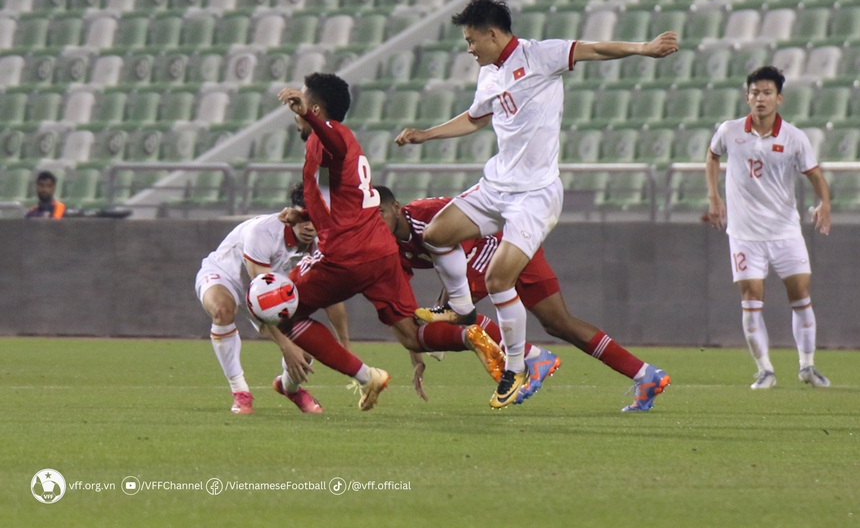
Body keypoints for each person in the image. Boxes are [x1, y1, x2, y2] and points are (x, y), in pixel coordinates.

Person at [395, 0, 678, 408]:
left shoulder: (541, 54)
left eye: (472, 40)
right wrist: (426, 133)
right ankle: (460, 309)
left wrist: (644, 48)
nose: (469, 49)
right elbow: (476, 117)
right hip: (496, 185)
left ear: (493, 33)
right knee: (437, 234)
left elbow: (595, 49)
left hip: (534, 195)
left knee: (497, 281)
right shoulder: (490, 74)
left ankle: (515, 367)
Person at [276, 73, 504, 410]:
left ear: (315, 108)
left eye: (302, 109)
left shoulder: (332, 135)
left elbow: (336, 145)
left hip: (346, 254)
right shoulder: (323, 148)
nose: (296, 116)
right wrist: (305, 215)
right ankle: (466, 336)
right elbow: (328, 194)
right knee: (412, 335)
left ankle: (366, 376)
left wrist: (309, 115)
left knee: (284, 311)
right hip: (381, 251)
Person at [378, 186, 671, 411]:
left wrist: (445, 309)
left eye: (380, 213)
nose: (376, 221)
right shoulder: (391, 245)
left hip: (500, 244)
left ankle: (534, 357)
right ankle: (646, 375)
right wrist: (416, 356)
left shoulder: (426, 215)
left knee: (458, 313)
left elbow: (461, 266)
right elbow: (405, 309)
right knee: (559, 323)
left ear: (396, 207)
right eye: (370, 216)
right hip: (515, 244)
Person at [706, 66, 831, 390]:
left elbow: (815, 175)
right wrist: (715, 197)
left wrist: (825, 203)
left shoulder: (794, 137)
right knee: (752, 298)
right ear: (747, 96)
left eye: (767, 93)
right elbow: (712, 156)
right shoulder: (730, 130)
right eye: (755, 92)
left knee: (801, 295)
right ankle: (765, 370)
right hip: (745, 235)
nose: (760, 98)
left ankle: (807, 366)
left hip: (785, 231)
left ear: (779, 98)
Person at [195, 183, 349, 415]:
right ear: (290, 214)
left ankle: (289, 388)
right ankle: (240, 392)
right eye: (303, 218)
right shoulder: (263, 233)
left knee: (307, 347)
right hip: (227, 277)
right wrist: (286, 346)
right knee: (222, 310)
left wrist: (345, 350)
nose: (309, 226)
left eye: (315, 218)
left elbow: (331, 297)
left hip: (274, 291)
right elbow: (260, 302)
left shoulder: (325, 244)